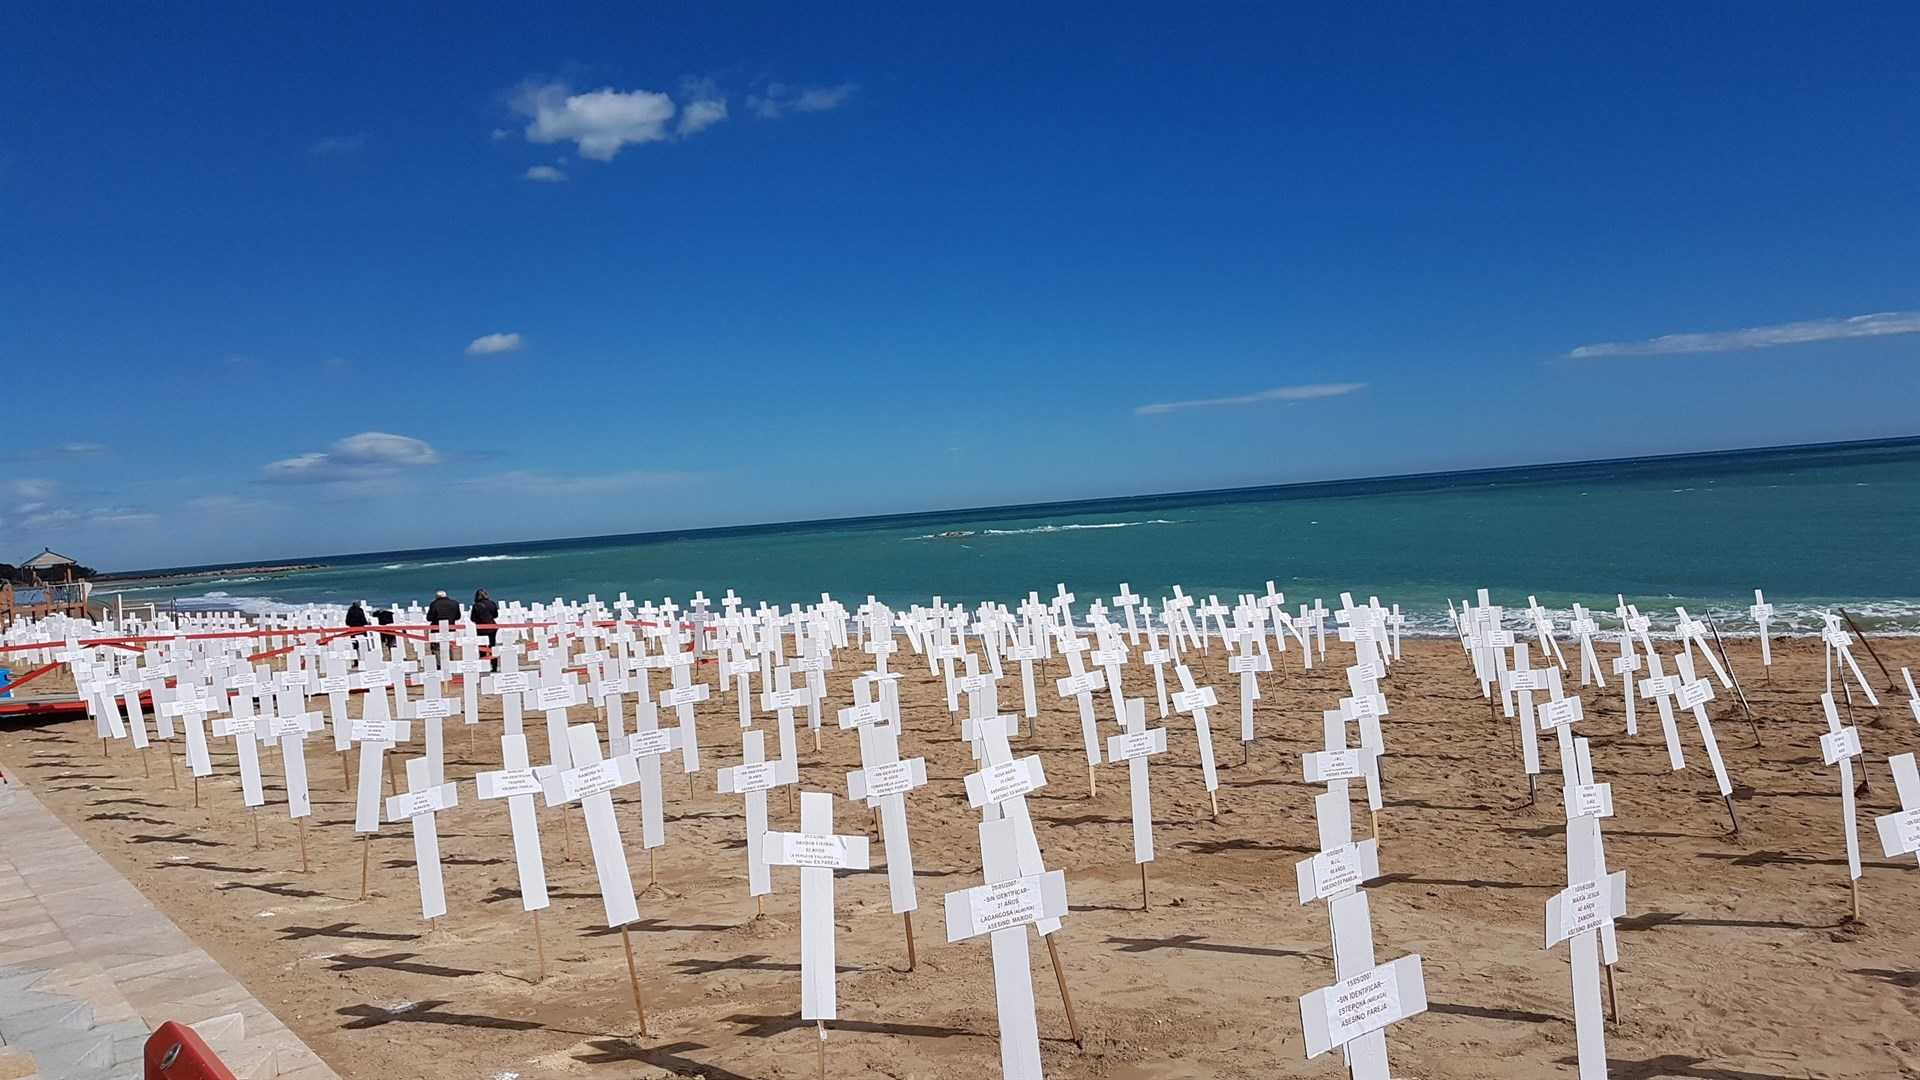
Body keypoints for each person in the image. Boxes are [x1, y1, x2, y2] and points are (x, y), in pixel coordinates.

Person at [471, 588, 500, 669]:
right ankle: (494, 666)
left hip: (481, 628)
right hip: (492, 627)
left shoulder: (476, 605)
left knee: (482, 647)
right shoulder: (492, 603)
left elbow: (472, 618)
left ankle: (484, 665)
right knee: (492, 646)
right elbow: (495, 615)